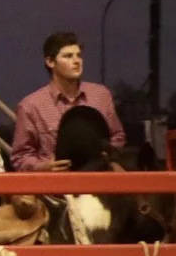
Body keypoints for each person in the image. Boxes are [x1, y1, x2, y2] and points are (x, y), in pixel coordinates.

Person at [11, 32, 125, 171]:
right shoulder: (30, 106)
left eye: (78, 55)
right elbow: (20, 156)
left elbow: (117, 136)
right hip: (55, 188)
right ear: (50, 62)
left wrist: (109, 156)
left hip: (99, 183)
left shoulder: (101, 95)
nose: (76, 61)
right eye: (68, 56)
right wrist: (44, 166)